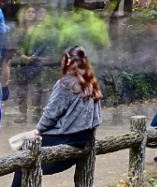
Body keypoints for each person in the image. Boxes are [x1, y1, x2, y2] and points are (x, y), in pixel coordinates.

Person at [9, 46, 102, 187]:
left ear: (68, 62)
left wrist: (38, 130)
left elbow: (51, 113)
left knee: (24, 158)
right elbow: (97, 118)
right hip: (84, 138)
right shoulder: (90, 81)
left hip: (68, 137)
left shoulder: (66, 82)